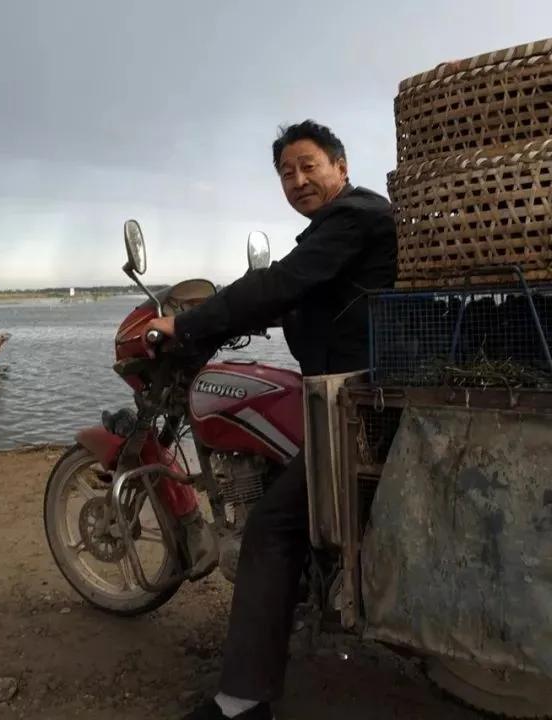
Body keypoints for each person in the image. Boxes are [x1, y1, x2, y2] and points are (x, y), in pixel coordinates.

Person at [145, 120, 397, 720]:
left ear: (340, 165)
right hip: (357, 388)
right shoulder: (342, 228)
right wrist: (237, 313)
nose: (297, 179)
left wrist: (186, 325)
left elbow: (280, 281)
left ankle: (241, 702)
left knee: (271, 528)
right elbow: (289, 288)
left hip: (363, 401)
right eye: (286, 172)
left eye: (309, 165)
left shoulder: (354, 216)